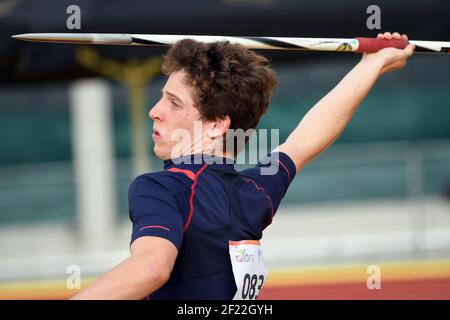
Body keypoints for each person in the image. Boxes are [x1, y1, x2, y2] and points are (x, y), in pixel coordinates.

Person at [71, 32, 414, 299]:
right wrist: (373, 65)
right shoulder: (255, 191)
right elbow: (308, 137)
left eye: (173, 103)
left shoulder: (161, 187)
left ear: (216, 124)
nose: (155, 111)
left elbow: (151, 267)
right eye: (162, 97)